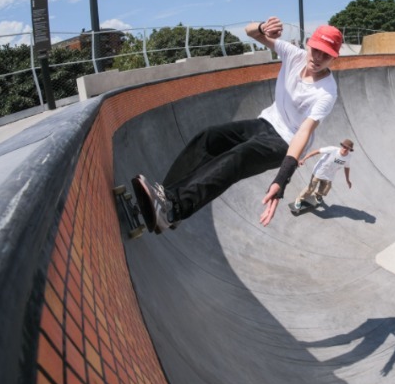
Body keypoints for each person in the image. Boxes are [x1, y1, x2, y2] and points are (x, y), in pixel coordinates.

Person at [131, 16, 343, 233]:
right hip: (266, 122)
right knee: (209, 138)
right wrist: (262, 28)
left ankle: (173, 209)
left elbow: (304, 132)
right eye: (315, 50)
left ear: (333, 58)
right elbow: (250, 32)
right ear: (308, 44)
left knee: (237, 157)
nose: (318, 58)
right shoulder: (294, 55)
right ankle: (165, 196)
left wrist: (283, 177)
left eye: (326, 55)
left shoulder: (327, 92)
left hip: (286, 142)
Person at [294, 139, 354, 210]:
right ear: (342, 146)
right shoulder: (332, 150)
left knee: (325, 190)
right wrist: (304, 159)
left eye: (347, 148)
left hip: (329, 176)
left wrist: (348, 180)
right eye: (344, 147)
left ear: (350, 150)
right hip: (319, 172)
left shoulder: (348, 157)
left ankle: (317, 195)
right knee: (311, 188)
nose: (345, 149)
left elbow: (347, 167)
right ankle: (299, 199)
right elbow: (316, 151)